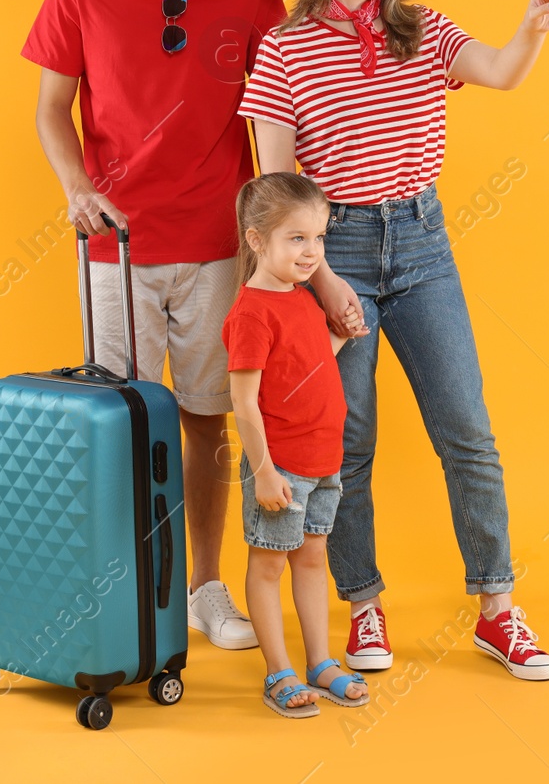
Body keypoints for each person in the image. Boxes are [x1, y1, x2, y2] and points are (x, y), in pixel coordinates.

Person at [239, 0, 549, 681]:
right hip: (331, 247)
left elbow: (497, 70)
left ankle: (497, 610)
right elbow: (274, 193)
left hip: (421, 243)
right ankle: (365, 605)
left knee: (467, 429)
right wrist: (320, 277)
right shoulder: (283, 50)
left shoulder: (422, 29)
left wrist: (532, 25)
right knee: (342, 443)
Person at [23, 0, 287, 651]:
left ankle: (206, 586)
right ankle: (131, 587)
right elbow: (52, 110)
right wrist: (75, 188)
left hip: (217, 244)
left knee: (209, 419)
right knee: (126, 419)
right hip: (117, 246)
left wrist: (278, 231)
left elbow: (278, 104)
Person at [222, 172, 370, 717]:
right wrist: (263, 470)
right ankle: (278, 671)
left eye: (320, 238)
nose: (313, 253)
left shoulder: (301, 298)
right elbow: (244, 403)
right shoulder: (252, 312)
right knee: (269, 566)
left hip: (323, 463)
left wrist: (341, 335)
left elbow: (306, 369)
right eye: (297, 239)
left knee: (311, 562)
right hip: (281, 466)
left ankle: (320, 662)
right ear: (257, 240)